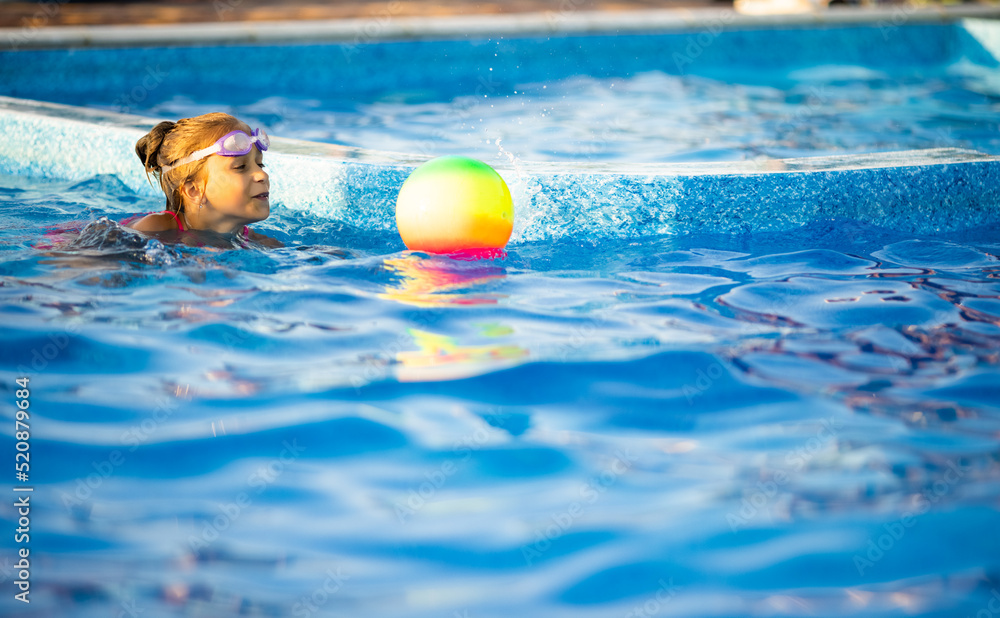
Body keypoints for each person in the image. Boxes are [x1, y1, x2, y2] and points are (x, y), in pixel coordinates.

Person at [129, 112, 281, 247]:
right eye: (240, 167)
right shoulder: (156, 227)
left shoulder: (259, 242)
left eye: (260, 164)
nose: (262, 175)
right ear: (194, 191)